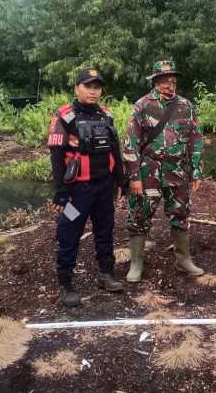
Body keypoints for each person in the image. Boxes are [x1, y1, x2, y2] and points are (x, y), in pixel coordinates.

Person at [47, 68, 128, 307]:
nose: (93, 91)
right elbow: (56, 154)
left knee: (105, 231)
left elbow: (115, 150)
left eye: (97, 87)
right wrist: (60, 191)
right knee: (68, 233)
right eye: (87, 86)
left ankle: (106, 274)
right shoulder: (64, 116)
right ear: (76, 88)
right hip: (76, 192)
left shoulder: (106, 116)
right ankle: (65, 284)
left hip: (104, 188)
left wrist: (121, 180)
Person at [122, 57, 204, 283]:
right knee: (139, 216)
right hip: (149, 172)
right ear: (155, 81)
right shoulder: (143, 105)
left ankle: (183, 260)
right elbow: (131, 143)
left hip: (177, 172)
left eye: (173, 81)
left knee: (180, 215)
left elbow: (195, 140)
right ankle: (136, 263)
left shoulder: (186, 106)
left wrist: (196, 170)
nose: (170, 85)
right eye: (164, 81)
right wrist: (134, 177)